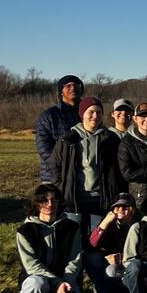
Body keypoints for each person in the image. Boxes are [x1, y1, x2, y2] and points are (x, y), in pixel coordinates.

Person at [51, 94, 122, 230]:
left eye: (99, 112)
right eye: (91, 112)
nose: (95, 116)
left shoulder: (111, 139)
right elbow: (55, 166)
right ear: (82, 114)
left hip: (101, 200)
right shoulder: (68, 139)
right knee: (74, 238)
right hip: (74, 200)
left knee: (98, 238)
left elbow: (119, 170)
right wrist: (63, 189)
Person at [16, 183, 83, 293]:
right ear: (37, 204)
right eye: (44, 200)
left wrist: (66, 281)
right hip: (38, 277)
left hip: (64, 277)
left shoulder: (72, 227)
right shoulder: (25, 231)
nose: (50, 204)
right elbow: (32, 266)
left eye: (53, 200)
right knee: (36, 284)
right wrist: (57, 283)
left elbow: (75, 258)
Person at [85, 192, 138, 293]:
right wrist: (105, 223)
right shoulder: (109, 223)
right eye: (117, 207)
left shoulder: (139, 225)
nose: (120, 209)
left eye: (125, 207)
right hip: (112, 266)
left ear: (132, 210)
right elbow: (91, 246)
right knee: (93, 259)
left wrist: (121, 257)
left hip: (132, 266)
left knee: (112, 270)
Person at [34, 74, 83, 181]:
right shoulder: (49, 115)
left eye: (76, 85)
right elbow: (43, 146)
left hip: (83, 175)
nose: (73, 88)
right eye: (68, 86)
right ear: (61, 91)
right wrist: (59, 165)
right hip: (55, 176)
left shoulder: (88, 114)